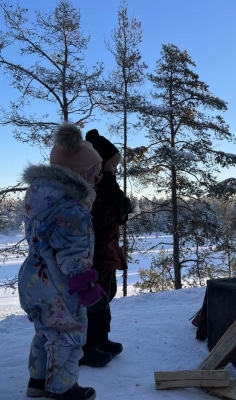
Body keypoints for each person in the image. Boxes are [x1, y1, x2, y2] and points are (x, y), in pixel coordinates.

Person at [19, 122, 105, 400]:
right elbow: (72, 254)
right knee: (69, 334)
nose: (96, 179)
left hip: (33, 278)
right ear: (82, 174)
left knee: (46, 332)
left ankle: (38, 381)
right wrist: (87, 288)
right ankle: (62, 388)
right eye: (95, 173)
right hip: (58, 284)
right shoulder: (72, 210)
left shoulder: (40, 199)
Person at [80, 128, 132, 367]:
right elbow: (98, 218)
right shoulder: (94, 187)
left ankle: (102, 338)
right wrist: (120, 208)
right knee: (94, 301)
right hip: (95, 254)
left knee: (106, 297)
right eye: (113, 164)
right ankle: (87, 345)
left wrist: (122, 207)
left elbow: (114, 215)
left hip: (107, 252)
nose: (115, 169)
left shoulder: (109, 186)